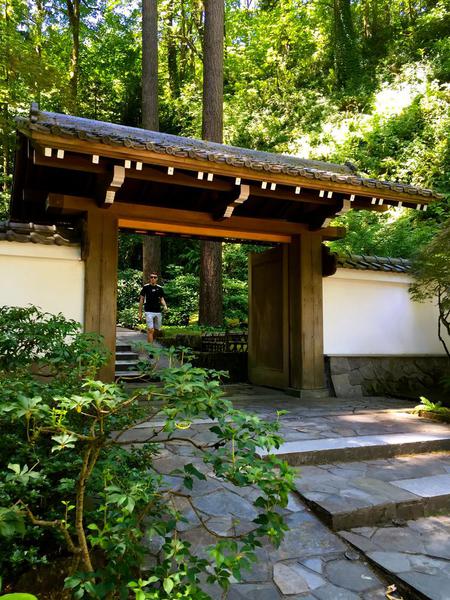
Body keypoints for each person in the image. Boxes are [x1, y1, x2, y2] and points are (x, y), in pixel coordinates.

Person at [138, 272, 168, 344]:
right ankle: (151, 350)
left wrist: (165, 306)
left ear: (157, 279)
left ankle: (150, 342)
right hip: (148, 311)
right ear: (149, 278)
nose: (153, 279)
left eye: (155, 277)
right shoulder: (146, 287)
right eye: (151, 277)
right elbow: (141, 299)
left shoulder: (160, 288)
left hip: (157, 311)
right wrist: (140, 312)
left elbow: (161, 299)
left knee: (157, 330)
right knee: (151, 330)